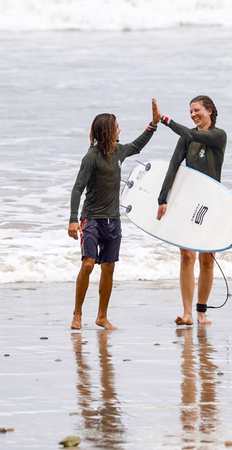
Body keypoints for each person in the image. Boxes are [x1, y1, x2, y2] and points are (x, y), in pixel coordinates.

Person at [69, 109, 159, 330]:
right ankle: (77, 313)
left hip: (113, 221)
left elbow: (137, 145)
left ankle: (101, 316)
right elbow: (78, 188)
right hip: (91, 219)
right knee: (88, 264)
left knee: (108, 267)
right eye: (117, 127)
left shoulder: (119, 152)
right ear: (108, 131)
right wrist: (73, 219)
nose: (120, 130)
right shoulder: (91, 157)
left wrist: (153, 124)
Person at [153, 96, 227, 325]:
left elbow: (194, 134)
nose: (193, 114)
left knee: (207, 260)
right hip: (187, 203)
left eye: (197, 110)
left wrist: (164, 119)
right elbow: (173, 166)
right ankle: (186, 313)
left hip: (212, 204)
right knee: (186, 257)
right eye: (190, 111)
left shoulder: (218, 136)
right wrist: (162, 198)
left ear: (210, 111)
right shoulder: (186, 139)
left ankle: (201, 312)